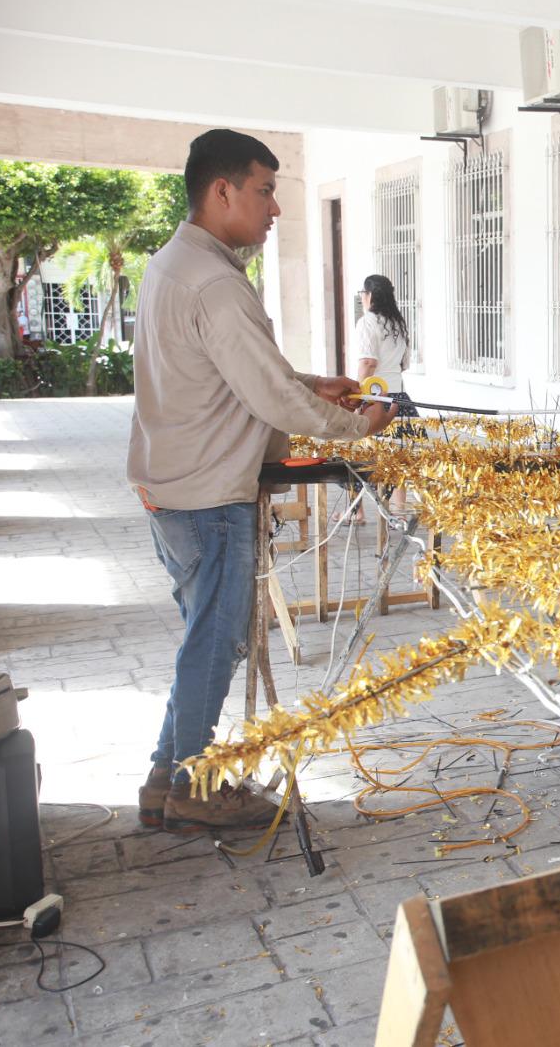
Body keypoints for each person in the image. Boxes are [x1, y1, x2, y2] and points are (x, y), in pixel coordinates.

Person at [127, 129, 397, 833]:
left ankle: (166, 773)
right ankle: (195, 784)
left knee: (202, 638)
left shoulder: (174, 264)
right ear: (222, 192)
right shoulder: (216, 283)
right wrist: (356, 427)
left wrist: (313, 384)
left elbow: (241, 373)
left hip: (172, 483)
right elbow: (270, 398)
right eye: (265, 191)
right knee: (215, 641)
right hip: (207, 491)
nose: (275, 210)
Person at [352, 273, 418, 516]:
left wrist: (359, 396)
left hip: (376, 397)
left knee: (360, 455)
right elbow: (404, 364)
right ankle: (399, 510)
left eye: (363, 294)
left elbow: (368, 362)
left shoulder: (367, 322)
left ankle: (356, 512)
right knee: (399, 455)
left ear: (369, 296)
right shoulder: (398, 324)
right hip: (400, 397)